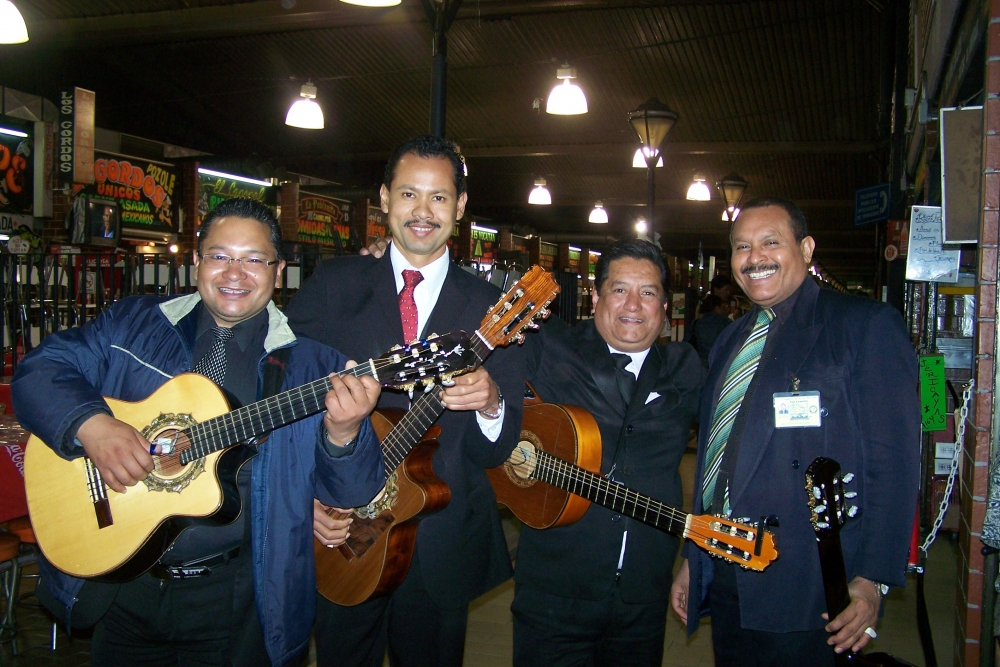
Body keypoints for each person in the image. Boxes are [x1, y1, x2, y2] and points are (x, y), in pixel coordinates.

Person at [12, 197, 385, 666]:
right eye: (219, 256)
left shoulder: (315, 367)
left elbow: (352, 490)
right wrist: (92, 424)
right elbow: (41, 368)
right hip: (123, 587)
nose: (235, 273)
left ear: (278, 269)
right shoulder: (133, 324)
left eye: (253, 259)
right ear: (196, 262)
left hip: (238, 599)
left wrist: (345, 432)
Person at [285, 135, 525, 667]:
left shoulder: (494, 309)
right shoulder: (334, 284)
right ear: (385, 199)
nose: (423, 212)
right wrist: (308, 499)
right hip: (342, 532)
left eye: (439, 198)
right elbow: (280, 397)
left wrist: (490, 402)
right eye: (409, 194)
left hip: (440, 541)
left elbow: (497, 449)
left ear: (460, 207)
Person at [670, 197, 919, 666]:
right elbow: (715, 459)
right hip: (729, 575)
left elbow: (895, 462)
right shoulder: (731, 338)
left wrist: (872, 579)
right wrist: (694, 557)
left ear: (805, 249)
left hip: (809, 582)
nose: (754, 257)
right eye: (741, 246)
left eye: (770, 242)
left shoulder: (862, 326)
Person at [512, 240, 705, 667]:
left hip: (643, 595)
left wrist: (697, 557)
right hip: (554, 591)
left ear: (664, 304)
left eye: (649, 292)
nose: (633, 304)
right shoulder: (548, 348)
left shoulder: (685, 366)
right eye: (619, 289)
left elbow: (723, 457)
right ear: (596, 296)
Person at [685, 294, 732, 366]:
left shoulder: (696, 324)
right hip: (721, 364)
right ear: (716, 307)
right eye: (722, 307)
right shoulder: (726, 322)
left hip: (700, 364)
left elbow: (687, 343)